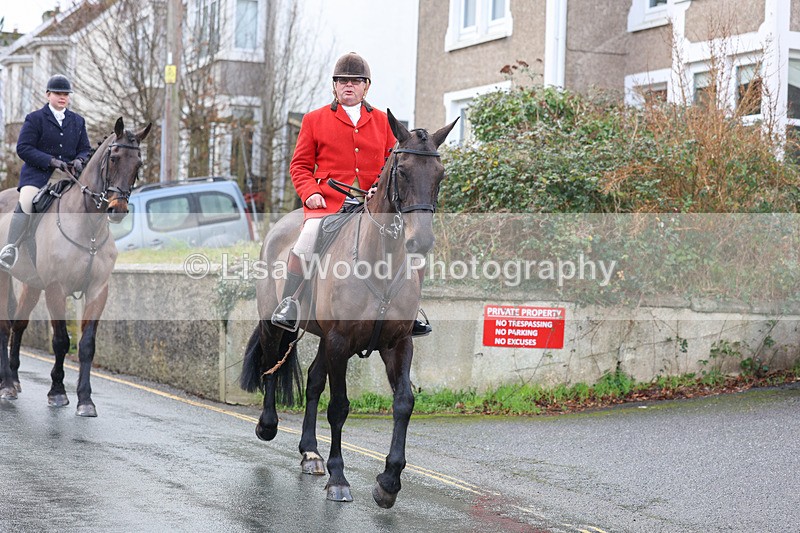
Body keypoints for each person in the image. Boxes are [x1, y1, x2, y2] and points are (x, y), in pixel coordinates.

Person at [271, 52, 432, 337]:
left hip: (374, 205)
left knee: (415, 252)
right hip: (329, 203)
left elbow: (391, 165)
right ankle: (289, 304)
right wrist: (309, 193)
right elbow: (300, 166)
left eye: (356, 81)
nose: (349, 85)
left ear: (366, 86)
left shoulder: (383, 121)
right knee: (306, 240)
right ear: (334, 86)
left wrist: (378, 189)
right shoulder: (314, 120)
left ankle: (412, 311)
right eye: (342, 81)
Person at [0, 74, 91, 269]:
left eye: (66, 94)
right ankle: (10, 248)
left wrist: (79, 159)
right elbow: (23, 148)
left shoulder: (78, 121)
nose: (62, 97)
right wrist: (50, 161)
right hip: (38, 176)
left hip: (68, 177)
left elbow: (85, 149)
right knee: (26, 202)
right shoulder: (35, 119)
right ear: (48, 94)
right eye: (58, 93)